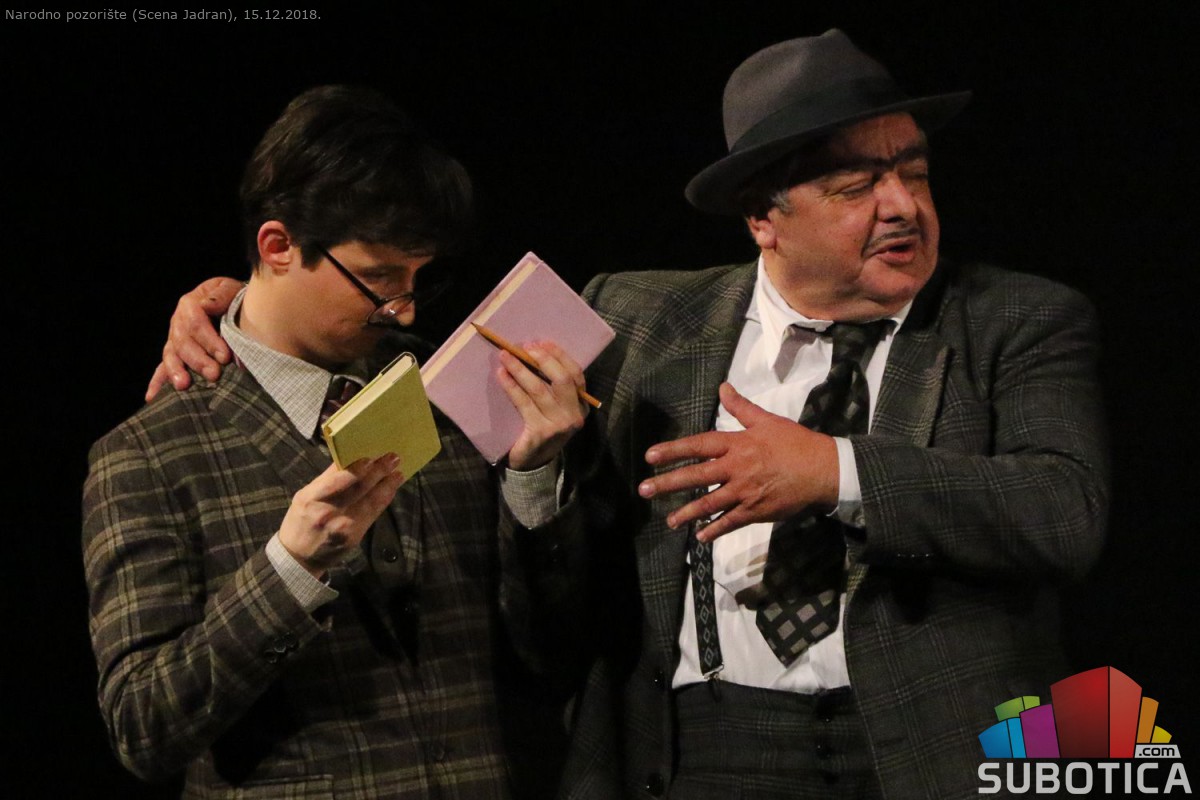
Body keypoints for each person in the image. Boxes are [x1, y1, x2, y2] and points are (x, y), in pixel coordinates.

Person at [154, 31, 1110, 799]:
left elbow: (1064, 511)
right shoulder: (635, 316)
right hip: (699, 752)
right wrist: (231, 318)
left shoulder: (1016, 321)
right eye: (855, 185)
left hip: (925, 750)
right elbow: (401, 348)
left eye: (915, 172)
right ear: (762, 216)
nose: (901, 205)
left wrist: (834, 472)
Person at [84, 85, 587, 799]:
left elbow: (550, 659)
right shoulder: (147, 455)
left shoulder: (446, 388)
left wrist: (534, 478)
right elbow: (143, 729)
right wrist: (288, 569)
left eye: (416, 279)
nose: (402, 310)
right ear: (278, 246)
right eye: (379, 279)